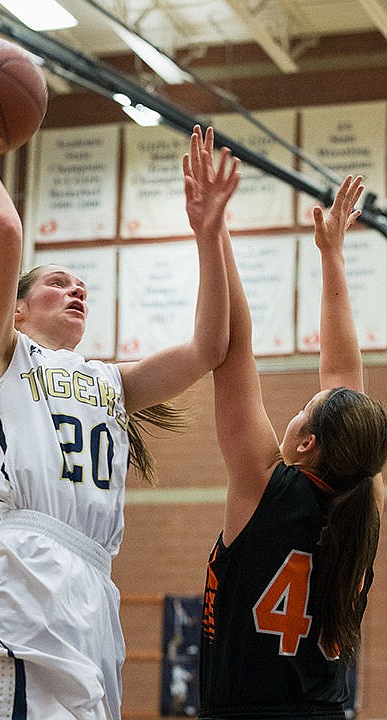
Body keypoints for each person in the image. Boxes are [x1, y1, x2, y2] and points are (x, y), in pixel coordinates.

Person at [0, 110, 241, 720]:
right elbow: (3, 232)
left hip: (96, 585)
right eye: (58, 282)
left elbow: (210, 348)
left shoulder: (110, 381)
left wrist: (210, 233)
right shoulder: (3, 356)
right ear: (16, 310)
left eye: (82, 287)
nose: (77, 290)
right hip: (28, 566)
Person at [197, 126, 387, 720]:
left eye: (303, 408)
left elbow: (234, 347)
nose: (299, 407)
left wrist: (214, 230)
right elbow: (341, 377)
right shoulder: (363, 497)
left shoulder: (264, 485)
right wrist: (332, 256)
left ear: (306, 442)